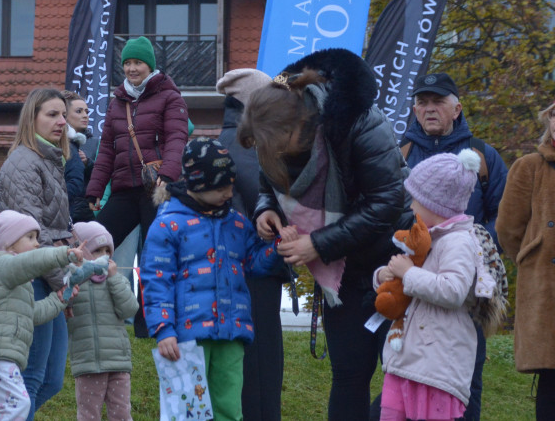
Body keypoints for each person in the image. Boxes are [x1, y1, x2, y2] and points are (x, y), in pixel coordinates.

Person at [238, 48, 408, 421]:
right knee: (348, 375)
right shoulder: (275, 135)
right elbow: (270, 184)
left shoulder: (360, 122)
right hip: (342, 274)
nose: (272, 153)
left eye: (275, 144)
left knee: (402, 374)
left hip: (394, 263)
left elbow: (388, 201)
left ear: (299, 124)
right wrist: (265, 210)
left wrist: (317, 243)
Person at [140, 137, 285, 421]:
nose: (229, 193)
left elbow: (254, 264)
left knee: (229, 409)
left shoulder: (237, 223)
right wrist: (163, 329)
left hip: (232, 332)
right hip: (187, 339)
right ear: (196, 184)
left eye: (231, 185)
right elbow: (156, 281)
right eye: (221, 188)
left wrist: (278, 248)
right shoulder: (168, 224)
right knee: (187, 413)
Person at [400, 72, 507, 421]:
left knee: (466, 380)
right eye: (423, 102)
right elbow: (388, 212)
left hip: (467, 290)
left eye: (438, 101)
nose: (429, 108)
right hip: (414, 285)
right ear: (414, 110)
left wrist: (469, 248)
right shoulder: (400, 154)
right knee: (408, 373)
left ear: (457, 108)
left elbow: (504, 217)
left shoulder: (483, 156)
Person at [85, 36, 189, 336]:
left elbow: (177, 139)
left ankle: (150, 325)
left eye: (138, 63)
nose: (132, 68)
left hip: (156, 188)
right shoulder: (117, 102)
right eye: (127, 63)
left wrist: (169, 173)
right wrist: (94, 189)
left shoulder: (170, 97)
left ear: (150, 66)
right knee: (94, 242)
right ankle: (91, 313)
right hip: (123, 189)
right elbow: (106, 150)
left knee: (154, 258)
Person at [374, 150, 488, 421]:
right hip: (408, 361)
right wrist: (384, 275)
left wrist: (409, 274)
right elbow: (407, 279)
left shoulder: (458, 242)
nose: (411, 207)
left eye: (416, 199)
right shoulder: (427, 238)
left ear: (436, 206)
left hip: (437, 369)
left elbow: (453, 290)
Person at [0, 87, 73, 419]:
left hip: (49, 276)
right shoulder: (24, 163)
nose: (62, 122)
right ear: (32, 118)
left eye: (64, 115)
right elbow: (31, 237)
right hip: (32, 279)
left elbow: (55, 228)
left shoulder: (49, 160)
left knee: (52, 380)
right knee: (32, 377)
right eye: (52, 114)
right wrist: (64, 282)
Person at [215, 68, 284, 421]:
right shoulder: (247, 145)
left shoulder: (230, 140)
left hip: (236, 267)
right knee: (261, 363)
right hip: (253, 269)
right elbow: (270, 200)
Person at [0, 210, 84, 421]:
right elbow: (31, 262)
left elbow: (33, 313)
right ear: (9, 244)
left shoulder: (18, 281)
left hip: (5, 354)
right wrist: (63, 254)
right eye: (30, 237)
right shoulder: (3, 265)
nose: (37, 244)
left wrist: (59, 299)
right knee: (18, 403)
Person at [496, 99, 555, 420]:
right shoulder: (529, 166)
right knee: (551, 378)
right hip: (545, 288)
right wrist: (535, 252)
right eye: (554, 114)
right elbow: (508, 228)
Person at [66, 221, 138, 421]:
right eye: (97, 250)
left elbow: (129, 309)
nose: (104, 256)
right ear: (83, 252)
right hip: (88, 363)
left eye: (108, 251)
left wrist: (114, 279)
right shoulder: (73, 281)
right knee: (89, 415)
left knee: (121, 413)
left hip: (118, 362)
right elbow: (63, 306)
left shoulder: (117, 280)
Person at [62, 90, 94, 224]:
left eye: (86, 111)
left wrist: (88, 163)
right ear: (64, 115)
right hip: (72, 215)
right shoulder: (63, 146)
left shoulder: (80, 144)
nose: (85, 115)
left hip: (80, 213)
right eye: (79, 111)